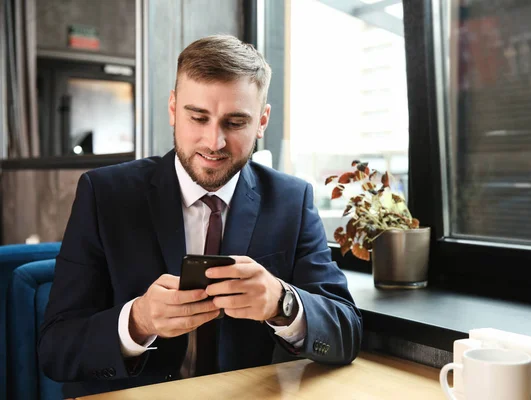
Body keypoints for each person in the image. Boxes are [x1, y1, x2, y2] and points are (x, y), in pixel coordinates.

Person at [38, 35, 362, 398]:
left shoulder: (291, 200)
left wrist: (281, 302)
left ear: (262, 121)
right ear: (174, 109)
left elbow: (345, 333)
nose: (214, 142)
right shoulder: (105, 195)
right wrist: (138, 321)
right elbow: (56, 350)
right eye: (198, 117)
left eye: (235, 122)